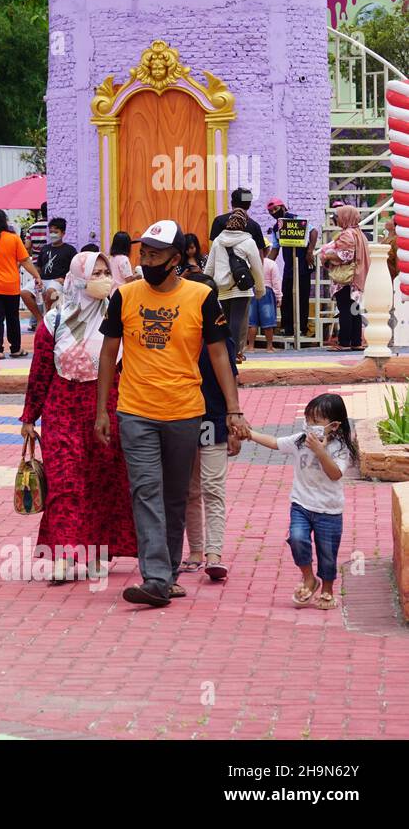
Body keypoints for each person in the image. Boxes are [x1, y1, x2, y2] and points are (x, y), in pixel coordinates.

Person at [96, 220, 249, 608]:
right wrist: (102, 410)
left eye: (154, 254)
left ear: (176, 259)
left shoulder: (201, 296)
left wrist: (233, 409)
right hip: (135, 410)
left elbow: (219, 354)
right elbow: (107, 353)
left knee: (174, 496)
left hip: (185, 412)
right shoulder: (125, 296)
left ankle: (169, 572)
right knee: (145, 492)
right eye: (143, 253)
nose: (146, 260)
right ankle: (156, 577)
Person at [19, 252, 135, 583]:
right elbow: (40, 372)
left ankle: (99, 551)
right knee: (65, 482)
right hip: (62, 409)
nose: (101, 278)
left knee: (102, 481)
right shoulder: (54, 321)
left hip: (104, 407)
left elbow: (128, 368)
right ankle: (64, 556)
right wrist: (30, 417)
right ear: (78, 277)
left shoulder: (116, 319)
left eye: (104, 272)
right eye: (94, 273)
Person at [245, 393, 354, 612]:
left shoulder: (341, 449)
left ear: (333, 425)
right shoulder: (299, 441)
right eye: (308, 420)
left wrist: (320, 451)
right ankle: (308, 579)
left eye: (316, 422)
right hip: (301, 504)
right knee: (296, 538)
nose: (310, 425)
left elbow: (335, 474)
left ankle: (327, 589)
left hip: (329, 509)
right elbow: (275, 442)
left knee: (327, 553)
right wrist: (249, 434)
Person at [180, 272, 240, 582]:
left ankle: (214, 553)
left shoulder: (221, 339)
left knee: (213, 488)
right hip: (181, 418)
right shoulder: (176, 334)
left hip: (214, 419)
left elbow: (229, 378)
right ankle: (194, 551)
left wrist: (234, 419)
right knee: (189, 490)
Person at [0, 209, 41, 360]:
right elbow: (24, 261)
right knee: (12, 317)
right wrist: (36, 275)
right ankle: (15, 349)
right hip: (10, 285)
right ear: (4, 222)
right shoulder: (13, 239)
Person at [203, 210, 264, 363]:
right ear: (244, 224)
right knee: (237, 320)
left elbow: (209, 267)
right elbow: (257, 268)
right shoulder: (248, 242)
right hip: (241, 287)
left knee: (227, 320)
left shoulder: (218, 241)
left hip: (222, 287)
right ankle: (235, 353)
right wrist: (260, 288)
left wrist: (204, 285)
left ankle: (227, 352)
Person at [266, 197, 318, 339]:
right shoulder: (277, 227)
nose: (273, 213)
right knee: (286, 296)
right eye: (270, 211)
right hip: (289, 266)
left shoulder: (297, 220)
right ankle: (287, 327)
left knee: (302, 296)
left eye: (275, 209)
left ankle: (301, 328)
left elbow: (314, 232)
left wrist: (310, 251)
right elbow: (275, 249)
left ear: (283, 207)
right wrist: (265, 264)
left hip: (302, 264)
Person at [322, 205, 369, 352]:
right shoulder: (359, 234)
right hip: (356, 278)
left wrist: (327, 255)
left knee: (345, 310)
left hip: (346, 279)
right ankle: (356, 341)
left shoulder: (347, 234)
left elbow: (345, 255)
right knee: (354, 310)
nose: (336, 219)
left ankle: (344, 343)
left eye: (338, 216)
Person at [248, 245, 282, 353]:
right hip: (267, 292)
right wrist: (278, 296)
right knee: (268, 321)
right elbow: (276, 282)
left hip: (252, 291)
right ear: (267, 250)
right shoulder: (271, 264)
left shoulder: (250, 263)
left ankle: (250, 346)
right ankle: (269, 347)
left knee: (251, 322)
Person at [36, 216, 76, 307]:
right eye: (51, 232)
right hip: (42, 280)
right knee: (24, 292)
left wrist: (65, 279)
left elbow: (75, 269)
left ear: (63, 233)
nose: (52, 234)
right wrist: (37, 278)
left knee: (50, 291)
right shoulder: (45, 248)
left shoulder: (70, 250)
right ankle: (38, 318)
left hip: (58, 282)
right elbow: (38, 266)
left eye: (56, 232)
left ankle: (47, 318)